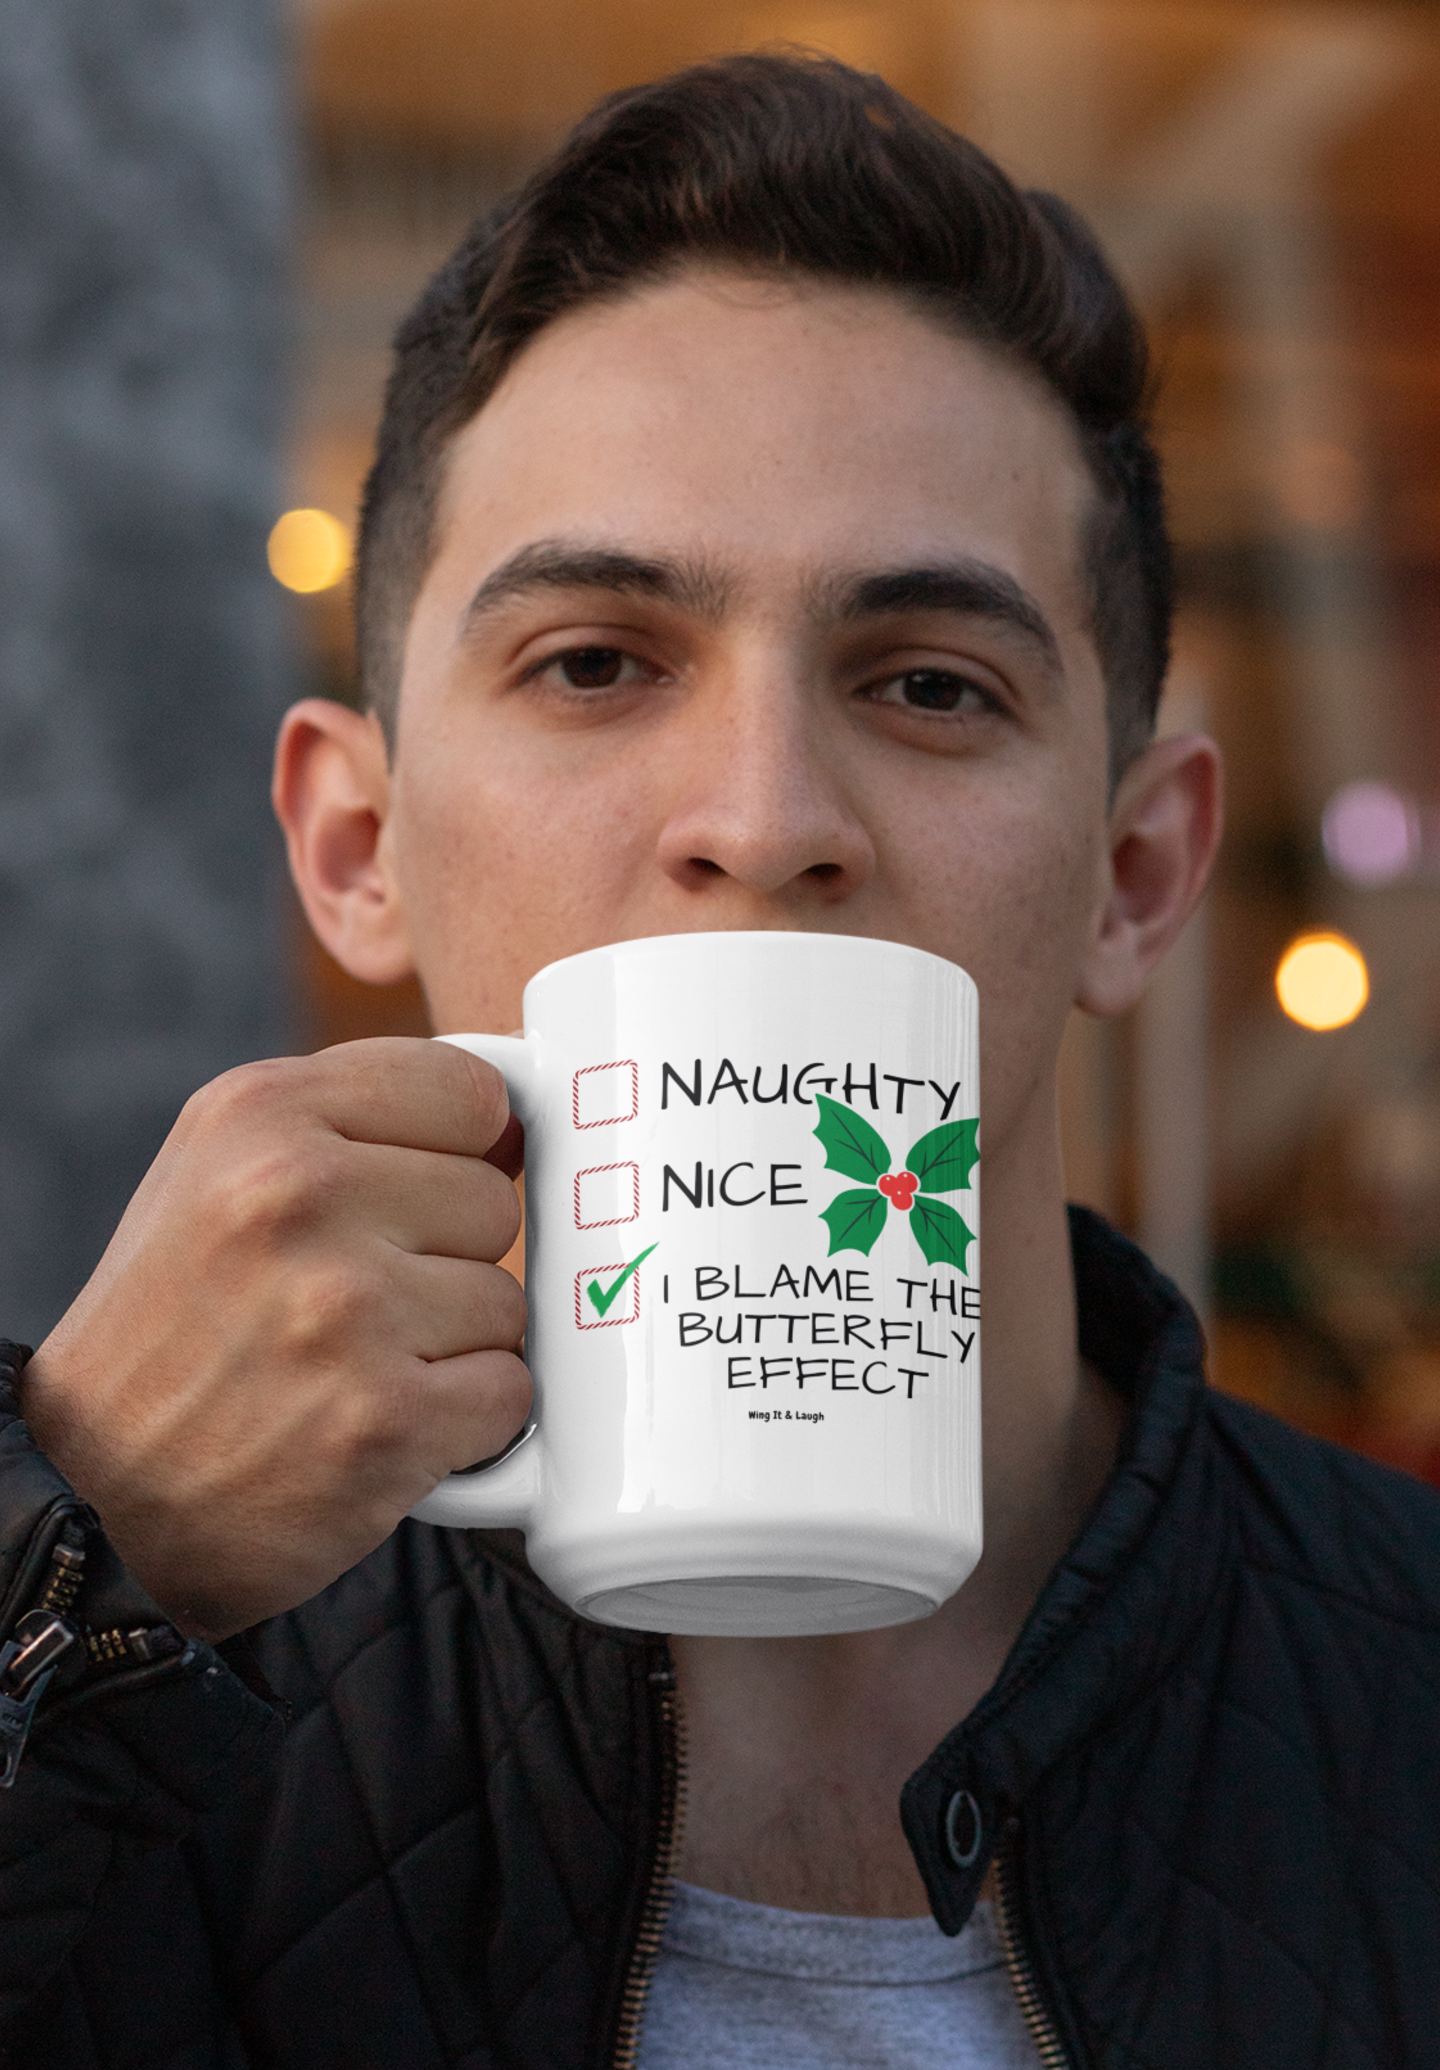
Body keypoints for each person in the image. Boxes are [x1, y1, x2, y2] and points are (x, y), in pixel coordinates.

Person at [1, 52, 1436, 2070]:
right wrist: (65, 1564)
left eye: (930, 684)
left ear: (1135, 871)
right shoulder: (124, 1682)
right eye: (594, 662)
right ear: (353, 846)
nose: (765, 815)